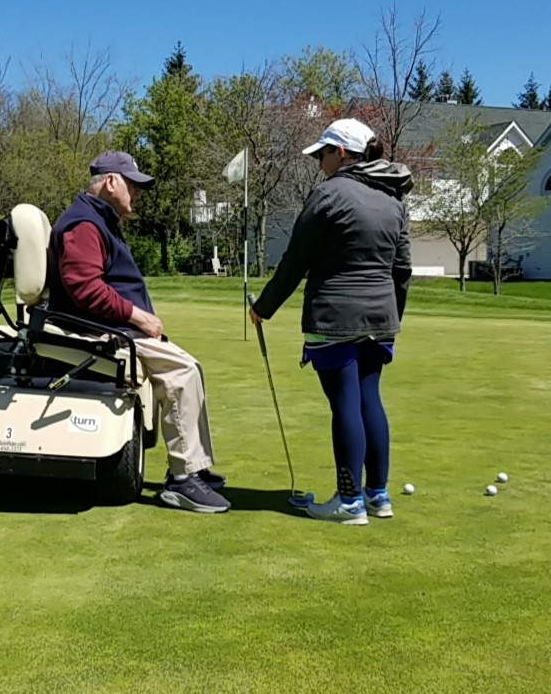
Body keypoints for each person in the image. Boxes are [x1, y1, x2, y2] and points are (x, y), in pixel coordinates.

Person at [46, 150, 231, 514]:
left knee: (189, 366)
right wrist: (138, 317)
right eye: (133, 185)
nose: (139, 193)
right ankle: (182, 480)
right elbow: (85, 288)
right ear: (111, 182)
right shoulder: (84, 225)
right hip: (98, 331)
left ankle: (195, 466)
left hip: (112, 327)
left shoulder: (98, 219)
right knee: (183, 370)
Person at [248, 119, 413, 526]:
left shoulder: (329, 195)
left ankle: (348, 501)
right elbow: (402, 269)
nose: (319, 161)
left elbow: (295, 261)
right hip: (381, 317)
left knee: (346, 404)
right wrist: (392, 314)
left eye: (323, 153)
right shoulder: (393, 199)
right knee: (369, 398)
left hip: (335, 316)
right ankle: (378, 495)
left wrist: (263, 308)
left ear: (342, 153)